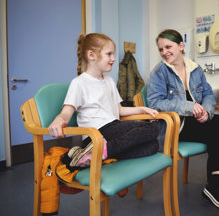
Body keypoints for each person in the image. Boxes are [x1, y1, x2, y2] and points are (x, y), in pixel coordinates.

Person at [146, 29, 219, 212]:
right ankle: (216, 183)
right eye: (160, 49)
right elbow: (155, 102)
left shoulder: (195, 68)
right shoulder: (159, 72)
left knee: (218, 121)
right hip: (173, 126)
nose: (164, 52)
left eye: (168, 46)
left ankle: (215, 182)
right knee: (218, 126)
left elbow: (208, 94)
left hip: (193, 122)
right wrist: (189, 107)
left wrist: (206, 112)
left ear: (181, 46)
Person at [48, 33, 160, 169]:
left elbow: (120, 110)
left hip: (113, 129)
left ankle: (96, 154)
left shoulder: (109, 80)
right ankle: (99, 151)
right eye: (109, 54)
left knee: (153, 146)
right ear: (91, 55)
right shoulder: (79, 83)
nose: (113, 59)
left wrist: (142, 109)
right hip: (96, 134)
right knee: (152, 128)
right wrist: (59, 119)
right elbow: (66, 112)